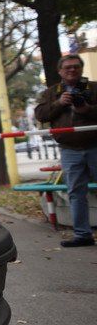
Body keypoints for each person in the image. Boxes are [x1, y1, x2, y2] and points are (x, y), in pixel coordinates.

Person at [34, 54, 97, 248]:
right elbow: (40, 115)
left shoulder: (93, 88)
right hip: (69, 149)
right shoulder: (52, 92)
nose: (72, 70)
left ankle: (83, 233)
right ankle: (83, 234)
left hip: (95, 145)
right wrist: (59, 103)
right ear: (60, 71)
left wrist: (87, 110)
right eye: (68, 67)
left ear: (81, 68)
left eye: (76, 66)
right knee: (75, 192)